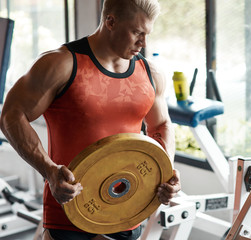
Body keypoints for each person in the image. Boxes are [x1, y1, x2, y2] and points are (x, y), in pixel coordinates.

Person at [0, 0, 181, 239]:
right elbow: (12, 115)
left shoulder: (150, 74)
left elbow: (161, 124)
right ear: (111, 21)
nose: (143, 42)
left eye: (147, 34)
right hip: (70, 209)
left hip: (127, 208)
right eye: (137, 32)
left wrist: (166, 171)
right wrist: (50, 171)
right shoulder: (61, 64)